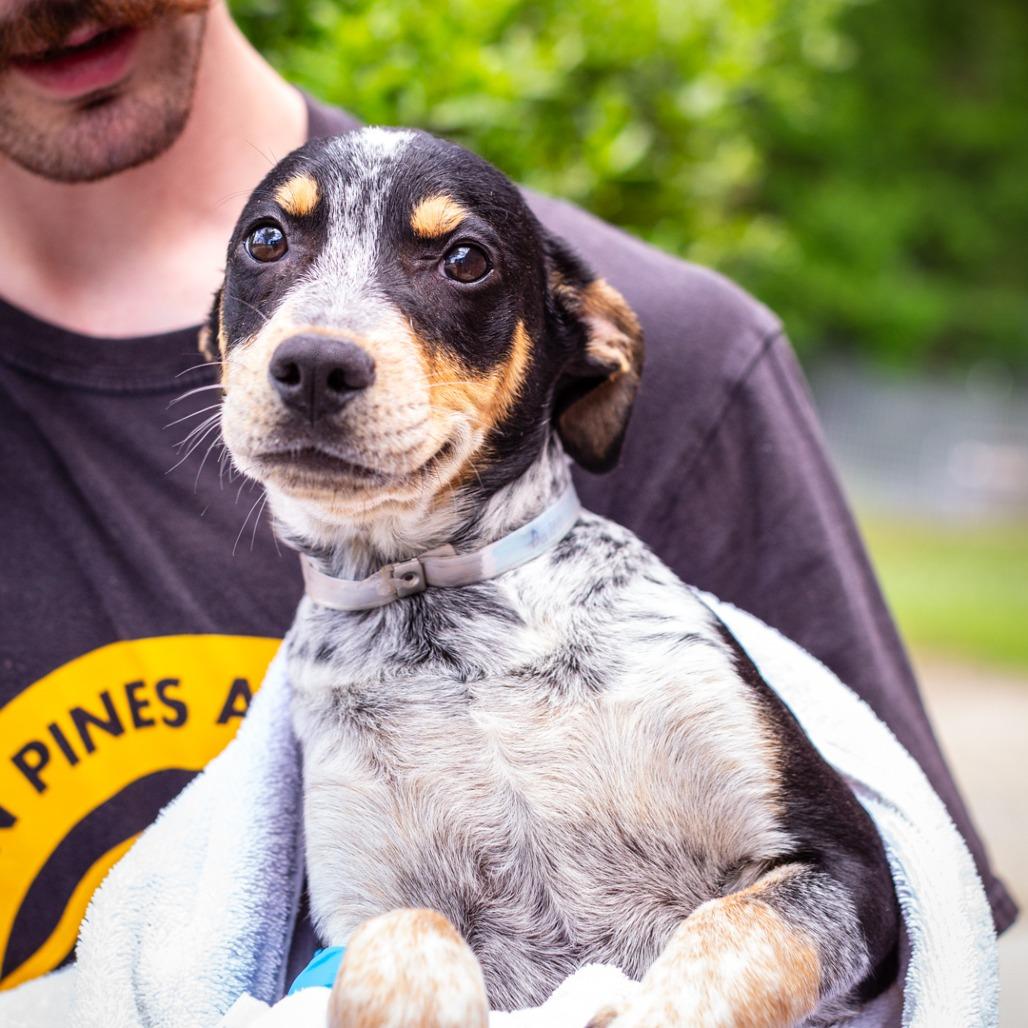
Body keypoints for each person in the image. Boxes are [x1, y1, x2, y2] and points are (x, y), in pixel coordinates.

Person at [0, 0, 1014, 993]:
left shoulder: (697, 363)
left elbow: (884, 902)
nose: (323, 347)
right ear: (220, 334)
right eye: (273, 247)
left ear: (581, 352)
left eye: (459, 261)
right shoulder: (320, 695)